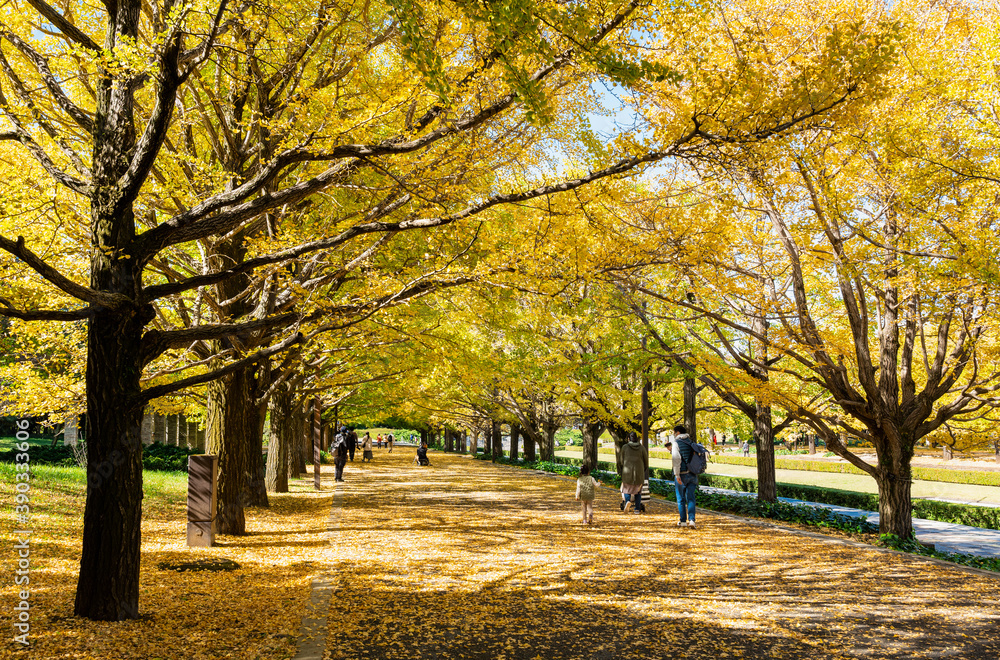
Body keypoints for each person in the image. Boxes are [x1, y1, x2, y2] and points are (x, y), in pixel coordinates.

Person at [672, 424, 699, 528]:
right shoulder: (691, 442)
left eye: (674, 432)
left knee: (681, 499)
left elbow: (676, 459)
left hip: (682, 474)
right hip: (692, 473)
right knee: (691, 498)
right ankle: (692, 520)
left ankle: (683, 521)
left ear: (678, 432)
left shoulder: (676, 443)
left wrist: (677, 474)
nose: (673, 434)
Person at [619, 431, 648, 514]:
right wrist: (643, 469)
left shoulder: (625, 447)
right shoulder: (642, 448)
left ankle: (627, 502)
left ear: (629, 438)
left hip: (627, 472)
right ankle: (637, 509)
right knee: (638, 492)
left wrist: (622, 468)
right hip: (639, 473)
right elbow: (646, 461)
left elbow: (621, 461)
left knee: (627, 490)